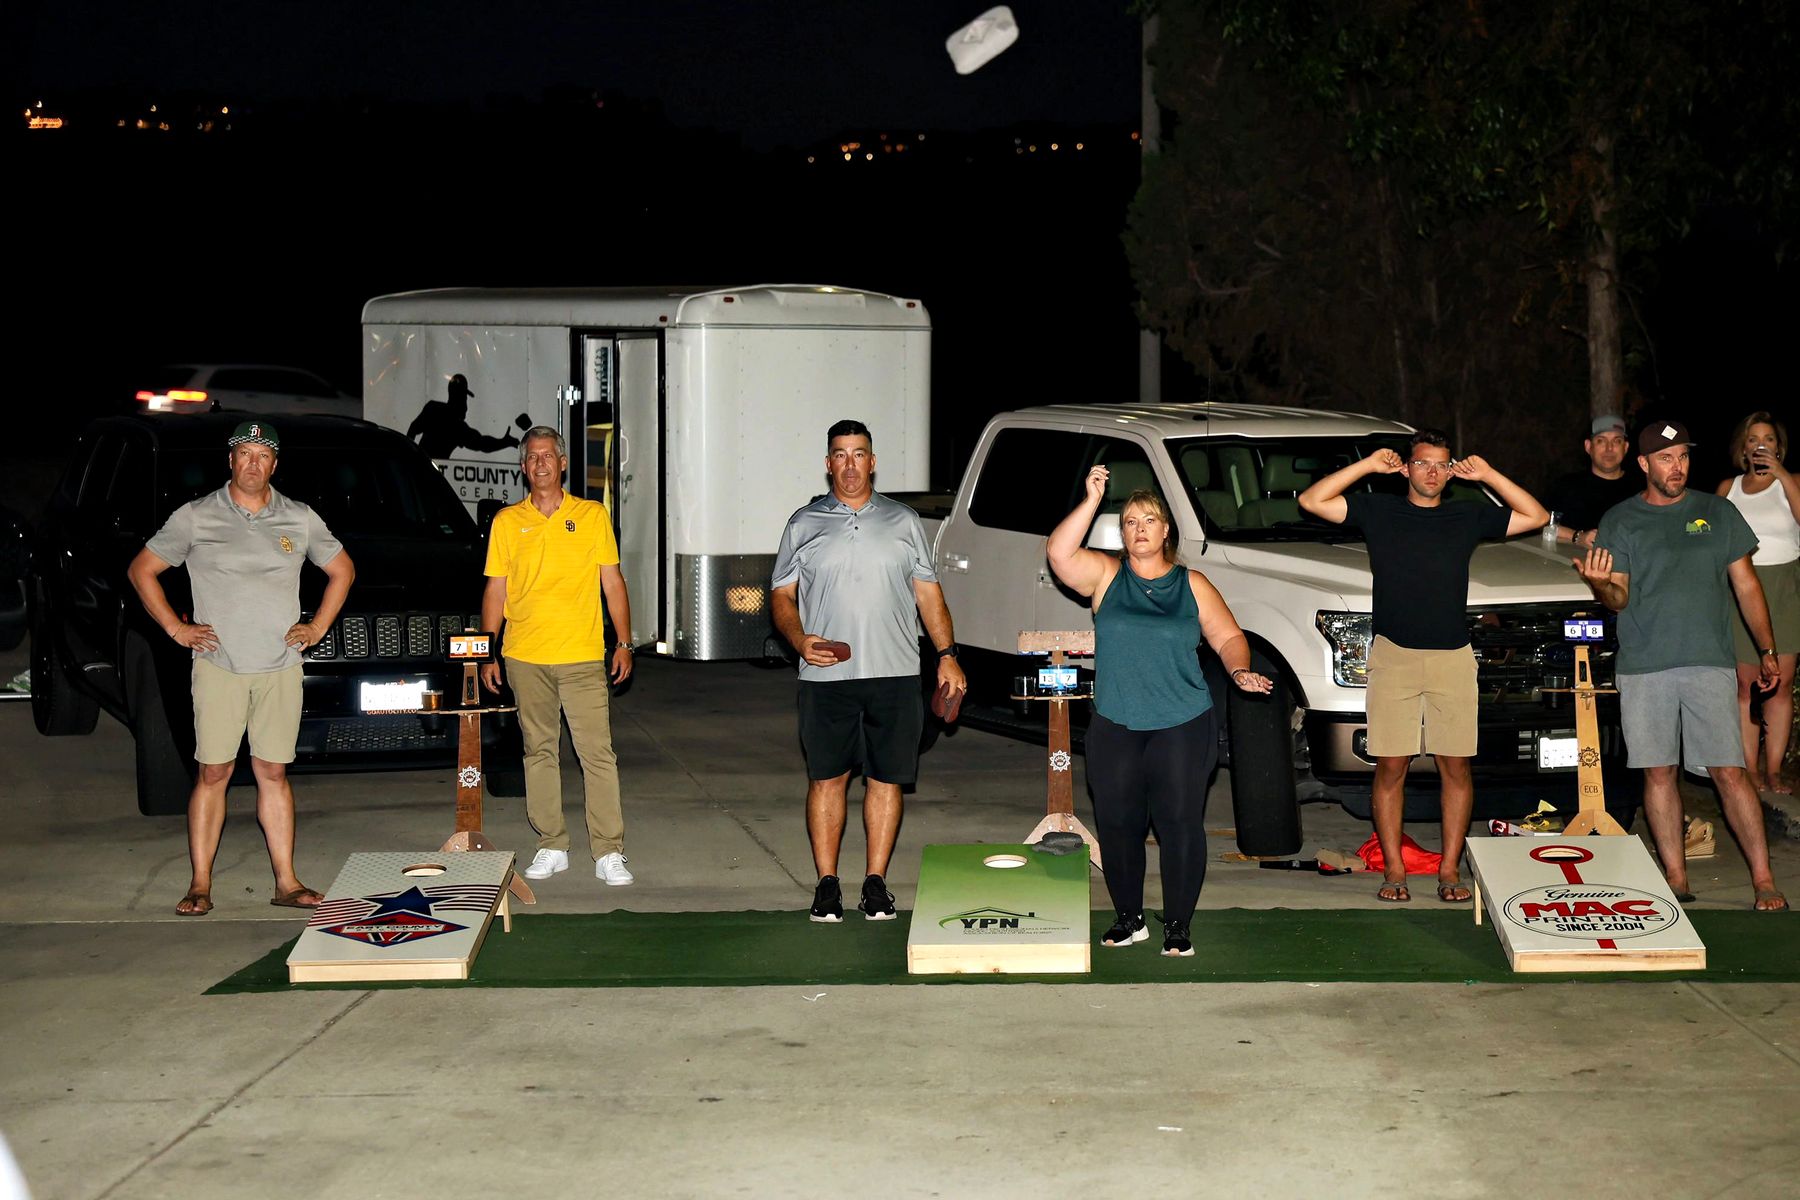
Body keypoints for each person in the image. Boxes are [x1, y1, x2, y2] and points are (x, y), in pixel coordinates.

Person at [1298, 430, 1547, 903]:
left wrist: (1488, 474)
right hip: (1394, 656)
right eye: (1422, 463)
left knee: (1456, 767)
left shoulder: (1466, 515)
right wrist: (1368, 466)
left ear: (1451, 472)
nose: (1431, 472)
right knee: (1391, 766)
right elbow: (1312, 501)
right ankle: (1395, 869)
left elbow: (1536, 516)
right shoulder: (1379, 511)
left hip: (1452, 656)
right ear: (1407, 468)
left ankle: (1449, 870)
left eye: (1441, 464)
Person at [127, 421, 356, 916]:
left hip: (279, 666)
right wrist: (176, 628)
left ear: (275, 464)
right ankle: (200, 884)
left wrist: (316, 627)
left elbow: (342, 570)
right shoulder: (195, 516)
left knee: (273, 771)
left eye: (263, 455)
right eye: (245, 453)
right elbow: (142, 570)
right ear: (230, 460)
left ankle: (287, 882)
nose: (253, 463)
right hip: (220, 665)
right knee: (214, 772)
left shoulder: (298, 517)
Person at [1046, 469, 1273, 956]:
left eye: (1149, 519)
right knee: (1118, 823)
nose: (1140, 528)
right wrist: (1091, 500)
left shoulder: (1192, 583)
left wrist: (1238, 671)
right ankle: (1129, 919)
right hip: (1116, 722)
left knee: (1178, 824)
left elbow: (1229, 637)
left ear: (1166, 530)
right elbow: (1059, 553)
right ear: (1122, 533)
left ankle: (1177, 925)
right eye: (1130, 522)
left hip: (1182, 722)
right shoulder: (1106, 576)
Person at [1577, 420, 1786, 911]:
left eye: (1684, 457)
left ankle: (1763, 879)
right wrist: (1600, 584)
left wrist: (1767, 649)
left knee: (1729, 771)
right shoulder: (1621, 520)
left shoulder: (1717, 512)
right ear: (1644, 464)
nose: (1678, 467)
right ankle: (1675, 877)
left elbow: (1746, 585)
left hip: (1708, 661)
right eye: (1666, 458)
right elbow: (1619, 598)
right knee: (1659, 772)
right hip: (1644, 664)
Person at [771, 419, 966, 923]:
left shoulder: (904, 521)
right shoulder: (803, 523)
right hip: (825, 677)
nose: (850, 464)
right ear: (828, 463)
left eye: (859, 454)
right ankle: (827, 885)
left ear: (872, 462)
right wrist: (799, 640)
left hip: (895, 673)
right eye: (840, 454)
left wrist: (947, 654)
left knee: (886, 779)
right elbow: (782, 596)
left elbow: (928, 595)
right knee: (827, 779)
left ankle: (875, 883)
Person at [480, 427, 636, 885]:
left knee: (597, 754)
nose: (541, 463)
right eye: (533, 457)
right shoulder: (507, 522)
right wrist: (488, 652)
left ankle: (608, 850)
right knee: (538, 752)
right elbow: (495, 590)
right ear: (523, 467)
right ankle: (552, 843)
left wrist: (624, 642)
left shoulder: (591, 515)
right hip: (524, 656)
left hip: (581, 655)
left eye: (548, 455)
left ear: (563, 463)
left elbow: (612, 582)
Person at [1716, 413, 1800, 795]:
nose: (1760, 445)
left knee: (1780, 685)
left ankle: (1774, 770)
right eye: (1753, 439)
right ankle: (1749, 768)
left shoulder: (1791, 483)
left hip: (1784, 589)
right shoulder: (1728, 488)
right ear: (1743, 447)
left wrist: (1781, 474)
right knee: (1747, 686)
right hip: (1741, 590)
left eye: (1768, 438)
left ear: (1778, 447)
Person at [1545, 414, 1641, 552]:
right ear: (1588, 446)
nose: (1609, 448)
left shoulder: (1641, 489)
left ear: (1625, 447)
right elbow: (1541, 524)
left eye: (1617, 441)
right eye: (1601, 441)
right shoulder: (1566, 486)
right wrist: (1578, 537)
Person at [407, 373, 521, 459]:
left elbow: (413, 428)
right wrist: (504, 442)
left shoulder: (433, 408)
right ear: (460, 399)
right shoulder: (457, 426)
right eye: (465, 399)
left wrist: (408, 457)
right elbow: (482, 443)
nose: (466, 407)